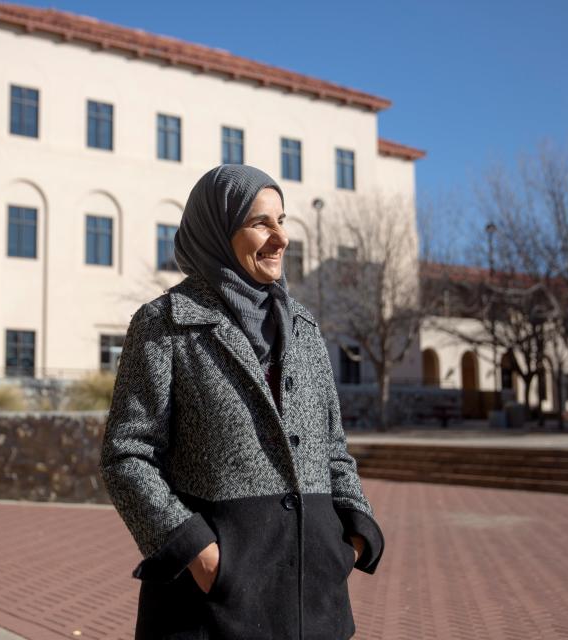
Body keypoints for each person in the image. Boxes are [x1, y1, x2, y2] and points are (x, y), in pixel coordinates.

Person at [99, 164, 384, 640]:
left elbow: (334, 448)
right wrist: (198, 553)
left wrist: (353, 538)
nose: (281, 238)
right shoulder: (164, 324)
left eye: (282, 220)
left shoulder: (305, 329)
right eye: (260, 223)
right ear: (217, 230)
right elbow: (126, 455)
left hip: (313, 604)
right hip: (210, 610)